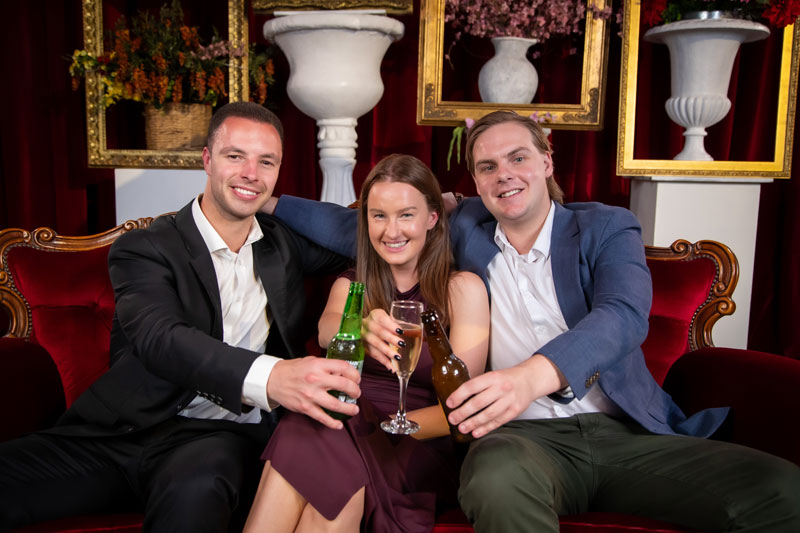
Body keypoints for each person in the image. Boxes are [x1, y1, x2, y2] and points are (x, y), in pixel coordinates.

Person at [263, 111, 800, 532]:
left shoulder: (606, 228)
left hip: (627, 432)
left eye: (518, 158)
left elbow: (623, 315)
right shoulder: (463, 228)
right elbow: (366, 228)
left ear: (546, 161)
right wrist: (267, 200)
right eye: (487, 167)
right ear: (475, 182)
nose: (504, 175)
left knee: (782, 490)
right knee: (495, 481)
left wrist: (527, 378)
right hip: (521, 440)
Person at [0, 102, 362, 532]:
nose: (251, 172)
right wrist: (272, 377)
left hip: (216, 439)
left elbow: (374, 235)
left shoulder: (284, 245)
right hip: (120, 433)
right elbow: (160, 337)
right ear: (207, 160)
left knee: (198, 487)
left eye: (266, 162)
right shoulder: (146, 248)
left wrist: (276, 204)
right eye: (235, 156)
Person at [243, 154, 489, 533]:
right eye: (379, 216)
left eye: (406, 215)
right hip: (346, 422)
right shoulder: (353, 285)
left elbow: (461, 407)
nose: (391, 231)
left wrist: (383, 429)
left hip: (415, 442)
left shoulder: (462, 289)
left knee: (317, 433)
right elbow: (327, 331)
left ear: (432, 218)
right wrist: (360, 326)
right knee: (318, 437)